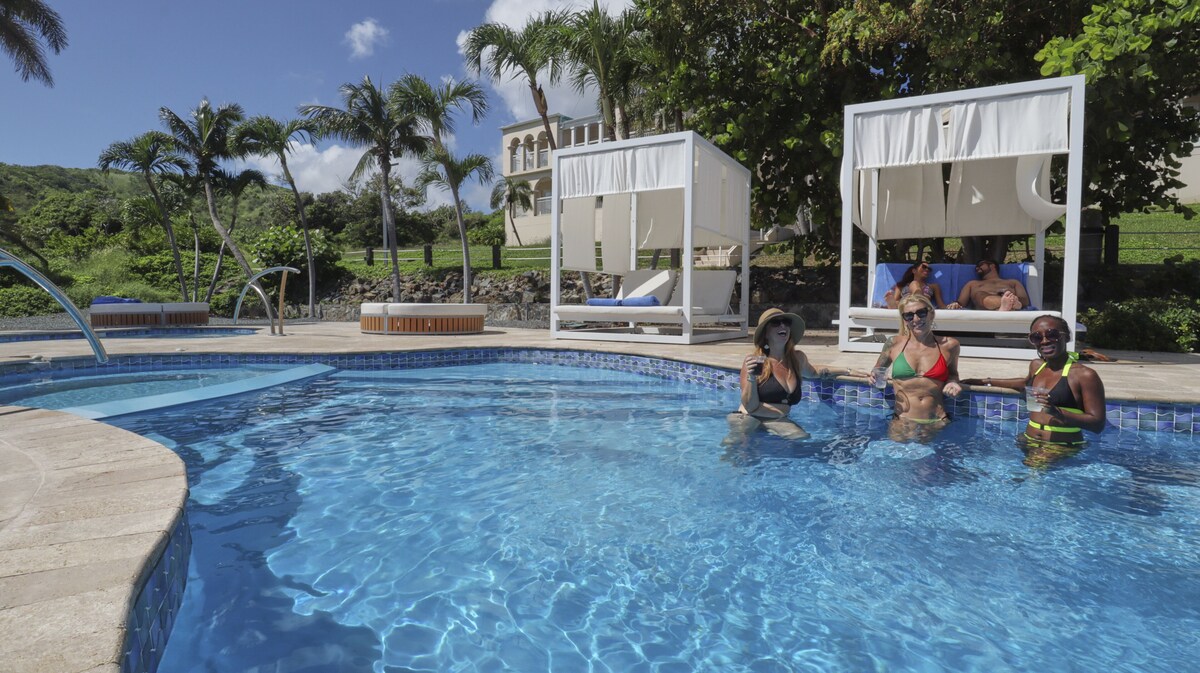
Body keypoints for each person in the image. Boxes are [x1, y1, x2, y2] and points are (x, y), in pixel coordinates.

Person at [963, 315, 1106, 458]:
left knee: (1027, 476)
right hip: (1027, 440)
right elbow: (1025, 384)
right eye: (1037, 337)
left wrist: (1057, 412)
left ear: (1067, 337)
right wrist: (985, 381)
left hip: (1060, 446)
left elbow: (1097, 424)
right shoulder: (1036, 366)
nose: (1044, 341)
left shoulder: (1084, 375)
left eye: (1052, 334)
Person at [725, 307, 846, 443]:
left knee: (801, 439)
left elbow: (815, 372)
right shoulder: (755, 361)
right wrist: (751, 377)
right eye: (776, 322)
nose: (782, 325)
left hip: (777, 419)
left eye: (786, 322)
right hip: (747, 417)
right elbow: (750, 407)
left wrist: (848, 371)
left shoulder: (797, 359)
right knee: (737, 448)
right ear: (765, 334)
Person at [868, 293, 963, 440]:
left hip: (936, 422)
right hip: (902, 421)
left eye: (921, 313)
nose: (916, 319)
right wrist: (874, 377)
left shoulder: (950, 345)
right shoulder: (894, 344)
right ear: (904, 320)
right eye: (909, 316)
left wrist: (953, 382)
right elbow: (876, 371)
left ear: (931, 314)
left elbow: (953, 373)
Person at [946, 258, 1030, 311]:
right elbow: (961, 303)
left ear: (992, 266)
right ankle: (1007, 305)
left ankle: (1006, 305)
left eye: (981, 264)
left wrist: (1014, 300)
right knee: (980, 294)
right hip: (988, 310)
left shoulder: (1013, 282)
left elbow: (1024, 300)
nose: (977, 267)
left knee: (1009, 295)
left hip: (1012, 305)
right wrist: (955, 304)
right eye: (976, 267)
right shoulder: (972, 284)